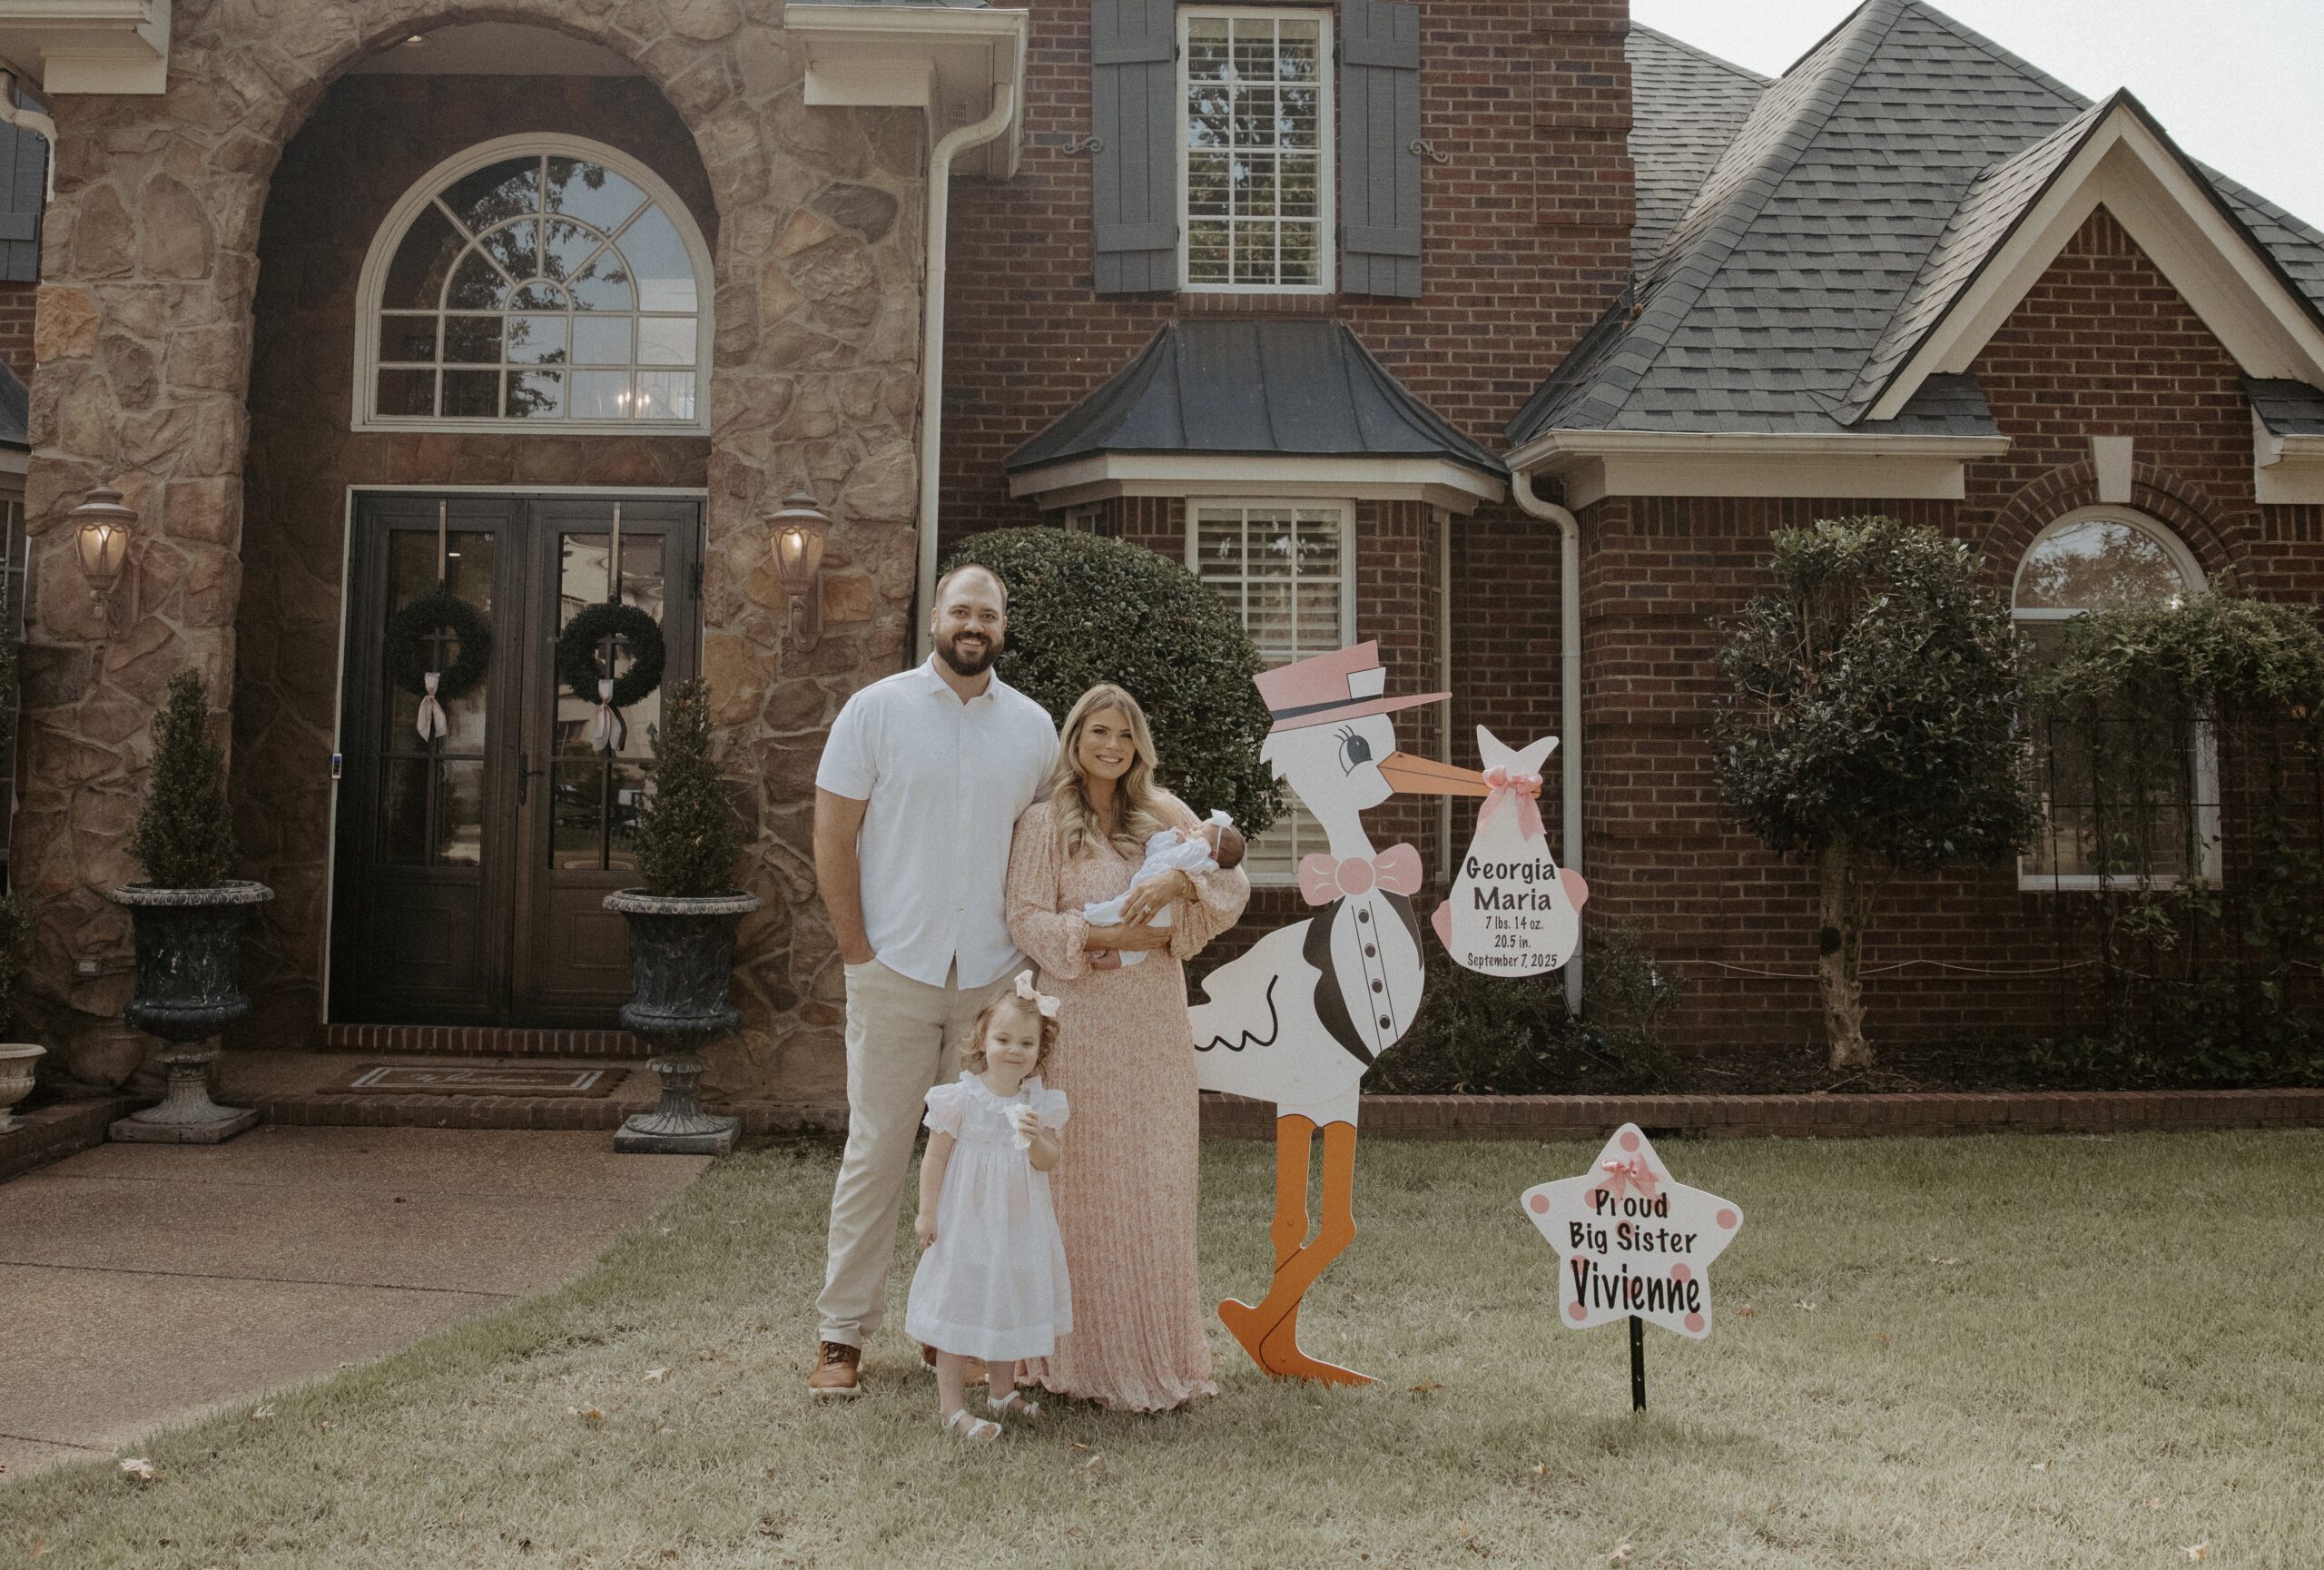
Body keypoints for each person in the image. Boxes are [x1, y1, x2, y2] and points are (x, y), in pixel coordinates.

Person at [808, 564, 1059, 1397]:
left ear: (1003, 626)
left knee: (984, 1162)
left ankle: (951, 1328)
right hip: (896, 967)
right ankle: (841, 1335)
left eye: (987, 613)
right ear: (936, 619)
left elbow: (1055, 844)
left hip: (993, 984)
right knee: (878, 1149)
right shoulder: (875, 712)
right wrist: (857, 950)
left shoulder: (1032, 728)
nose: (973, 624)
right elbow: (832, 835)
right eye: (961, 610)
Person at [1005, 684, 1249, 1410]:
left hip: (1152, 1023)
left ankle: (1154, 1350)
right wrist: (1106, 935)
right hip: (1079, 1018)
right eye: (1097, 731)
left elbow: (1229, 882)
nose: (1111, 745)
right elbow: (1023, 915)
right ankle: (1072, 1359)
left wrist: (1180, 876)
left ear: (1139, 745)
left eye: (1124, 734)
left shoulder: (1163, 815)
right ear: (1075, 739)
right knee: (1078, 1180)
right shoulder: (1045, 822)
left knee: (1155, 1177)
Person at [905, 975, 1073, 1440]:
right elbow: (935, 1159)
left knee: (1008, 1298)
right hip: (967, 1221)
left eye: (1026, 1042)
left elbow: (1049, 1162)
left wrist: (1038, 1137)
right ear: (983, 1039)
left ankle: (1002, 1391)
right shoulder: (960, 1098)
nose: (1014, 1050)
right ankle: (952, 1406)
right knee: (962, 1301)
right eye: (1003, 1039)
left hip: (1019, 1221)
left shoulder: (1039, 1101)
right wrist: (927, 1213)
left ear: (1040, 1050)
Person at [1079, 811, 1246, 966]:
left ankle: (1091, 917)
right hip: (1149, 891)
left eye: (1201, 830)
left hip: (1162, 905)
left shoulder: (1202, 858)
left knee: (1125, 909)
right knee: (1137, 921)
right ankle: (1123, 956)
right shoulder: (1189, 849)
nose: (1194, 826)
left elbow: (1236, 888)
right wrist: (1171, 837)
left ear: (1212, 853)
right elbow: (1154, 849)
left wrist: (1179, 879)